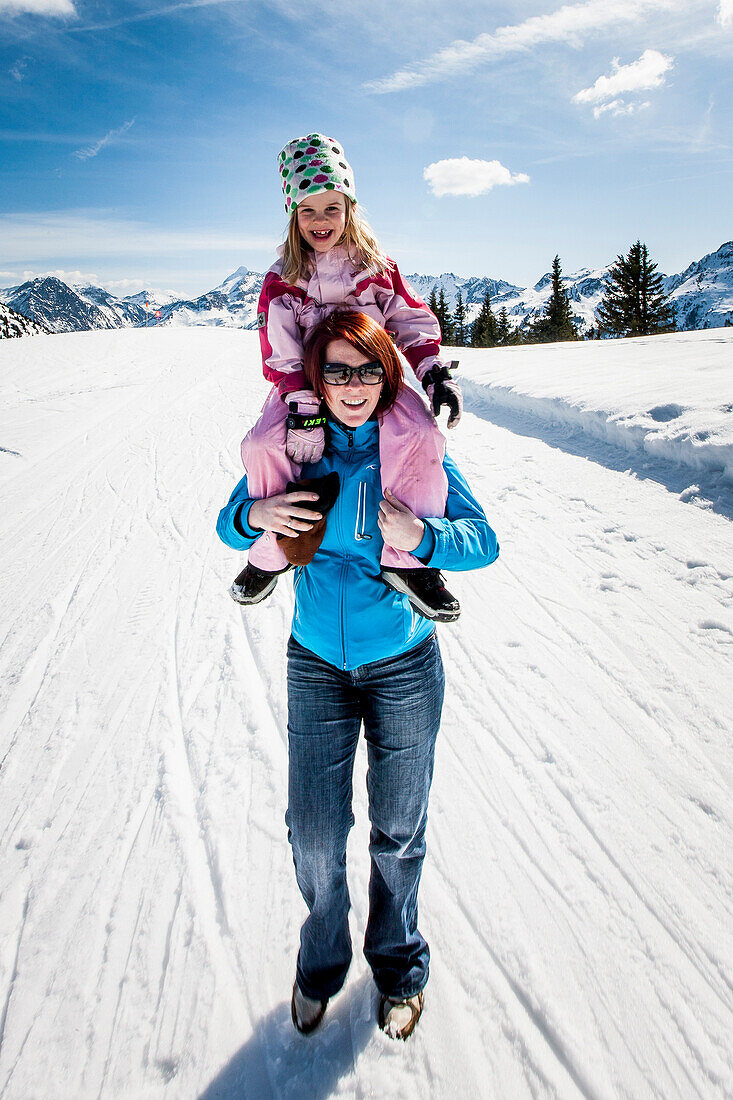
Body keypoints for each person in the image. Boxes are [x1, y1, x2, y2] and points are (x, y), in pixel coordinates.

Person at [217, 310, 499, 1040]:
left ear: (386, 376)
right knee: (312, 832)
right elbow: (227, 524)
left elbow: (483, 540)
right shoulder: (296, 447)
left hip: (403, 663)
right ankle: (321, 959)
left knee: (397, 831)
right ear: (315, 378)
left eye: (366, 370)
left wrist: (424, 535)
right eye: (335, 370)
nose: (351, 385)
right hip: (314, 662)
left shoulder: (410, 451)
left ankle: (399, 964)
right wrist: (257, 513)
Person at [230, 132, 464, 622]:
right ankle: (270, 553)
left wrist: (433, 374)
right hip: (307, 386)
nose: (321, 221)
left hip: (375, 376)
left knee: (420, 434)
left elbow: (409, 322)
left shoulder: (377, 268)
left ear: (349, 208)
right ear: (294, 216)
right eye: (309, 211)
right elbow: (282, 348)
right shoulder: (284, 277)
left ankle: (408, 559)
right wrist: (302, 408)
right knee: (262, 447)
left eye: (332, 208)